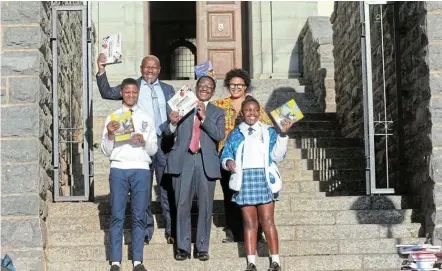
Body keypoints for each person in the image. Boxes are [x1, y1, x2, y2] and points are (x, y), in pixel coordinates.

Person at [96, 54, 176, 244]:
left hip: (163, 143)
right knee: (144, 191)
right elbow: (107, 92)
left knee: (166, 188)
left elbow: (177, 112)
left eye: (154, 67)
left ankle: (172, 229)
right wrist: (101, 69)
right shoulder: (133, 87)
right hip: (138, 145)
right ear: (141, 69)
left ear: (160, 70)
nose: (150, 70)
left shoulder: (168, 89)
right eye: (147, 67)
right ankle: (145, 231)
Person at [221, 96, 290, 271]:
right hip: (244, 179)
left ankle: (276, 261)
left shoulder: (269, 131)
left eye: (255, 110)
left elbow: (277, 156)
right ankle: (251, 262)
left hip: (263, 178)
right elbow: (226, 152)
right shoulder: (235, 133)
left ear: (259, 112)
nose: (251, 113)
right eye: (248, 110)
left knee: (267, 221)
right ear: (242, 113)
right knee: (249, 223)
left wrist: (283, 134)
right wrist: (228, 161)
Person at [164, 76, 225, 261]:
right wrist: (173, 122)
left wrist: (204, 117)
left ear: (213, 91)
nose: (205, 88)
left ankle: (202, 247)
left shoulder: (217, 111)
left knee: (206, 206)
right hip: (184, 160)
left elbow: (219, 135)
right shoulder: (183, 105)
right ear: (196, 87)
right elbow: (166, 133)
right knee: (182, 204)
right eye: (202, 85)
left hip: (205, 161)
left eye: (209, 86)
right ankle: (182, 247)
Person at [101, 78, 158, 271]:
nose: (131, 95)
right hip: (119, 168)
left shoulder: (146, 118)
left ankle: (137, 261)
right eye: (127, 92)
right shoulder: (113, 117)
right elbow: (106, 150)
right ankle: (115, 261)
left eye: (134, 92)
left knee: (139, 215)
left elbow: (153, 149)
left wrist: (144, 142)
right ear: (121, 93)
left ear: (138, 93)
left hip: (141, 169)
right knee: (117, 214)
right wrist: (110, 134)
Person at [212, 68, 273, 243]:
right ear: (227, 85)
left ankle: (257, 231)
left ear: (246, 86)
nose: (236, 88)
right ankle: (233, 231)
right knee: (230, 194)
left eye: (240, 85)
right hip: (227, 157)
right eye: (232, 84)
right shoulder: (219, 105)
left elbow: (268, 127)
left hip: (251, 158)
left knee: (253, 197)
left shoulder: (254, 105)